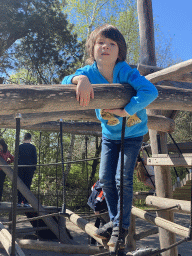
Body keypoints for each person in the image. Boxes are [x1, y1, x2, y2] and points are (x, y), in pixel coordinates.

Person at [62, 24, 158, 247]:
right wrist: (80, 80)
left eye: (111, 43)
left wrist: (128, 109)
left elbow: (150, 91)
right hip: (109, 135)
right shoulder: (88, 72)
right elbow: (66, 81)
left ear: (119, 50)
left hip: (133, 134)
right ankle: (116, 222)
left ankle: (121, 226)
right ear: (92, 49)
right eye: (100, 43)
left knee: (121, 178)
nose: (105, 46)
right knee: (105, 179)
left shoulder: (125, 70)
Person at [17, 133, 37, 207]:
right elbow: (35, 159)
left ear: (24, 139)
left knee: (20, 184)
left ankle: (19, 202)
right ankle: (25, 202)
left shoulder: (20, 146)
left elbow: (16, 157)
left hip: (20, 168)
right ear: (30, 139)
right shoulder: (33, 147)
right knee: (27, 185)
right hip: (29, 168)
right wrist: (34, 168)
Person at [87, 179, 109, 245]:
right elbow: (99, 199)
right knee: (111, 223)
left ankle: (99, 242)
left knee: (102, 222)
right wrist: (96, 209)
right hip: (100, 208)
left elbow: (92, 188)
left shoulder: (98, 182)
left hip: (93, 205)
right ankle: (102, 242)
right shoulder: (106, 186)